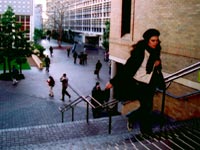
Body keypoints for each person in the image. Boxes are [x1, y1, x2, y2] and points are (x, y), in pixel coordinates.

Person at [105, 29, 165, 134]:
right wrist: (113, 82)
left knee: (147, 108)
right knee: (146, 107)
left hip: (150, 84)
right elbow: (127, 68)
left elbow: (156, 69)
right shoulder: (139, 53)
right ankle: (144, 130)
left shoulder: (155, 51)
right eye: (153, 40)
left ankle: (138, 124)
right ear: (147, 41)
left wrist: (158, 64)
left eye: (157, 40)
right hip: (139, 84)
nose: (155, 43)